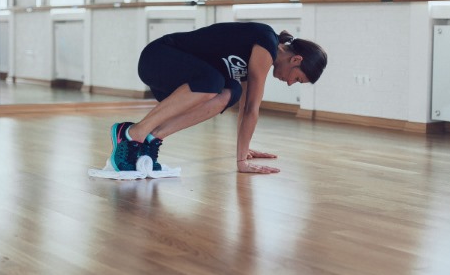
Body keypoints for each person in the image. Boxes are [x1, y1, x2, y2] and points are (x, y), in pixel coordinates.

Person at [109, 21, 327, 174]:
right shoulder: (265, 42)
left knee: (231, 92)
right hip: (157, 59)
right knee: (212, 82)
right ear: (296, 59)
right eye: (297, 79)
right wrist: (241, 161)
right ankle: (130, 133)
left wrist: (244, 149)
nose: (290, 83)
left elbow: (244, 105)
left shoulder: (261, 55)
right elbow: (252, 108)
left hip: (184, 81)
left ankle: (152, 137)